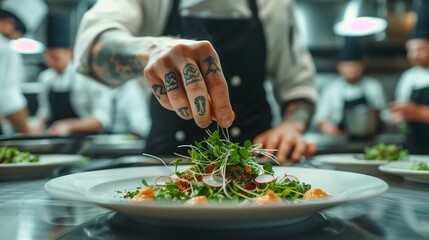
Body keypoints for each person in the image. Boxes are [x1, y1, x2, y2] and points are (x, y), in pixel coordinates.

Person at [75, 0, 318, 162]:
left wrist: (291, 126)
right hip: (166, 165)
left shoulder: (274, 4)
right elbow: (93, 48)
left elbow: (297, 86)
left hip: (255, 163)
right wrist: (151, 50)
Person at [34, 13, 112, 136]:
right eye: (47, 58)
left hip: (87, 143)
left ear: (69, 52)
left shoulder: (88, 76)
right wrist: (39, 124)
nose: (51, 63)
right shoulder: (46, 78)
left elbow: (102, 120)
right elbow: (45, 111)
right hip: (56, 141)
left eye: (55, 58)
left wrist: (68, 125)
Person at [314, 37, 387, 137]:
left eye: (354, 65)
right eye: (347, 66)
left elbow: (384, 114)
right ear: (339, 67)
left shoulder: (373, 86)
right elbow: (320, 117)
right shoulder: (331, 89)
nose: (351, 70)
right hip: (339, 138)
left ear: (362, 66)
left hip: (370, 138)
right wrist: (326, 126)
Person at [0, 0, 47, 135]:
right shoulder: (5, 49)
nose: (17, 39)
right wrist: (28, 133)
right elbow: (7, 98)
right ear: (9, 23)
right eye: (19, 33)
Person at [390, 0, 429, 154]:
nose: (413, 56)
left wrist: (419, 113)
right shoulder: (409, 77)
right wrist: (399, 115)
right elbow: (400, 111)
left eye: (419, 49)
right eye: (410, 50)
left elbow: (417, 112)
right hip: (414, 151)